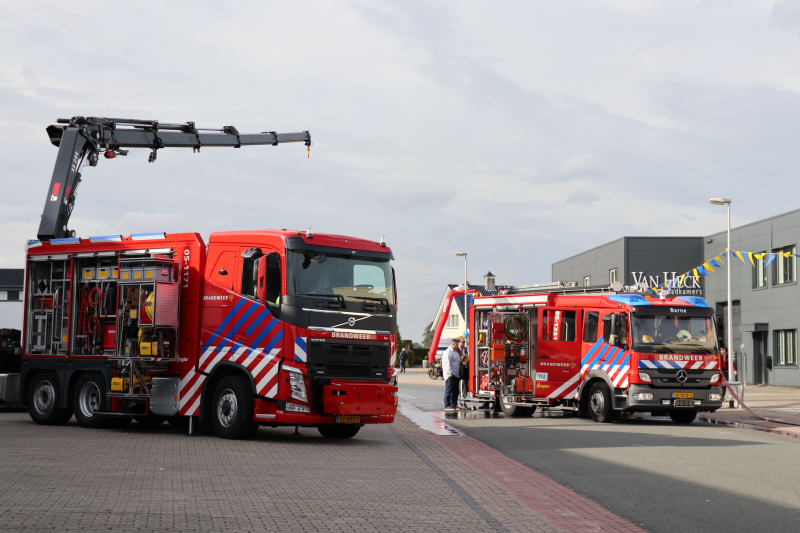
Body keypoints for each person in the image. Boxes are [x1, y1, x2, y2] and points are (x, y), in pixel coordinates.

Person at [442, 339, 461, 411]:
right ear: (453, 344)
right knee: (449, 390)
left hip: (456, 374)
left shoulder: (455, 352)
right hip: (451, 375)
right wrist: (450, 373)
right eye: (457, 345)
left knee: (455, 391)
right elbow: (447, 364)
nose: (458, 347)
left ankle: (454, 404)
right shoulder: (448, 352)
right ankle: (447, 405)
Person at [456, 337, 470, 408]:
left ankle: (464, 403)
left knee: (465, 390)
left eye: (464, 342)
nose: (464, 343)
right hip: (460, 372)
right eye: (463, 342)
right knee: (461, 389)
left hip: (465, 369)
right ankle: (461, 403)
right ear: (459, 342)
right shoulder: (456, 350)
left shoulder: (465, 349)